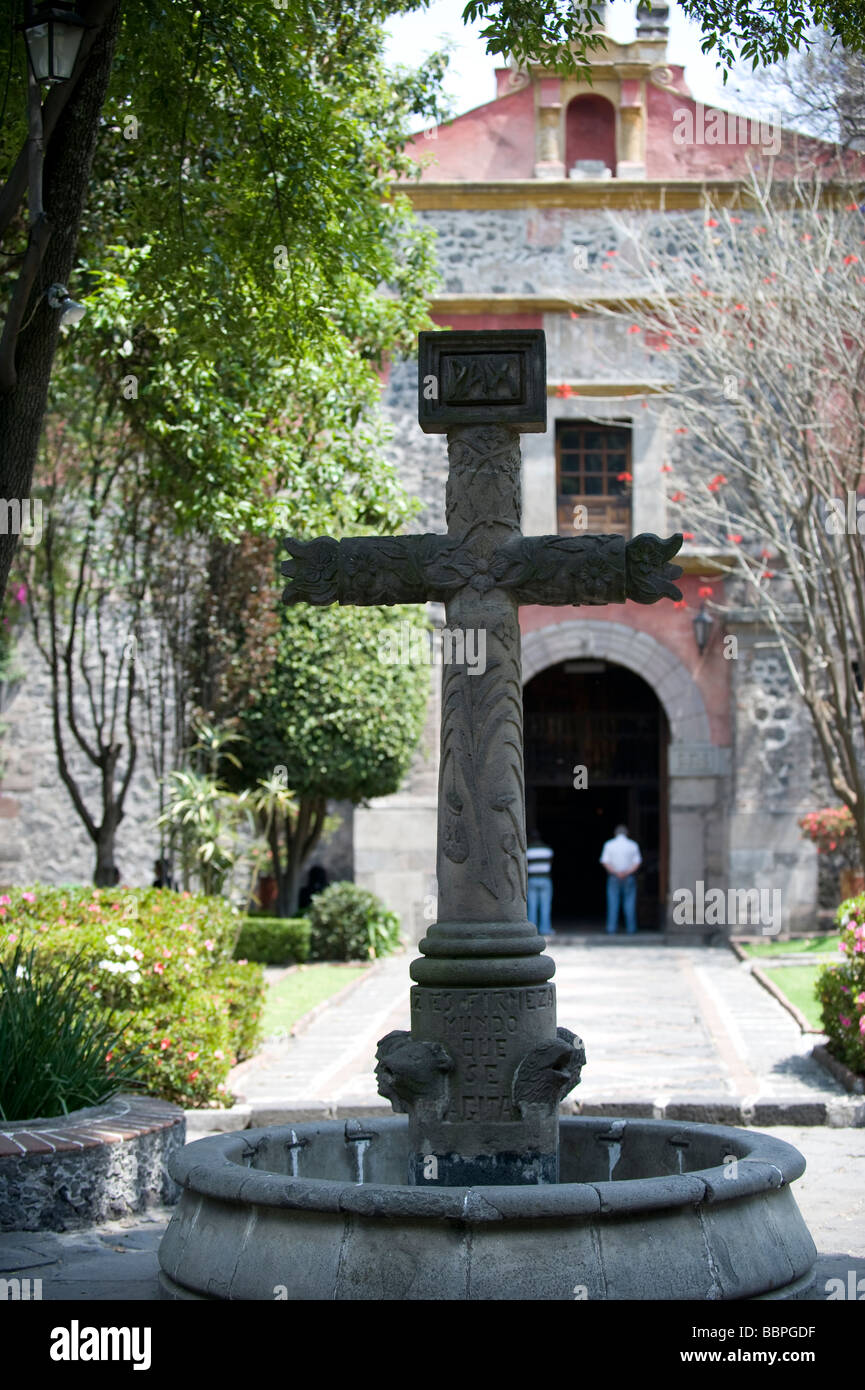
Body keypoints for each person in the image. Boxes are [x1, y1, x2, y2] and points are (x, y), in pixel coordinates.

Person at [600, 824, 641, 934]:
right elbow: (637, 862)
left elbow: (605, 861)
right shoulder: (633, 845)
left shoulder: (609, 844)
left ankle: (611, 928)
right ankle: (631, 929)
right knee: (629, 903)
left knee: (613, 903)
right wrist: (626, 872)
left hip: (614, 876)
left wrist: (616, 872)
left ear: (615, 833)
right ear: (627, 833)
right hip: (628, 876)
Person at [526, 829, 554, 937]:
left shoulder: (528, 850)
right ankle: (545, 929)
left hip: (532, 879)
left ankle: (533, 930)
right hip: (545, 878)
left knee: (532, 906)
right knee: (545, 905)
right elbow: (550, 863)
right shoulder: (547, 849)